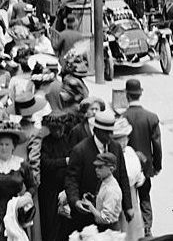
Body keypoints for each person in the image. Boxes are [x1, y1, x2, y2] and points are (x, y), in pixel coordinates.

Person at [63, 108, 133, 233]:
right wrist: (75, 201)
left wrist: (128, 206)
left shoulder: (115, 147)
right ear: (96, 131)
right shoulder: (80, 150)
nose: (110, 136)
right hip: (86, 216)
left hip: (110, 214)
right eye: (106, 133)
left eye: (111, 132)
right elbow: (71, 180)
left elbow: (122, 175)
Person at [122, 78, 161, 238]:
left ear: (127, 96)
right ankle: (147, 228)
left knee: (130, 199)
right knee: (145, 197)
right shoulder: (151, 117)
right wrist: (157, 165)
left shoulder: (123, 117)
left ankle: (133, 229)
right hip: (145, 166)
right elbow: (157, 144)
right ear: (140, 95)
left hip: (128, 167)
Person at [37, 112, 69, 241]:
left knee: (65, 223)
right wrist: (64, 161)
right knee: (51, 223)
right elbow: (45, 163)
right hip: (49, 190)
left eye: (60, 128)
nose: (57, 132)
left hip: (65, 188)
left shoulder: (68, 140)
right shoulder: (46, 142)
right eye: (54, 129)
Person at [112, 117, 144, 241]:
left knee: (133, 226)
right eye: (122, 139)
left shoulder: (130, 151)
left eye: (126, 138)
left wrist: (140, 177)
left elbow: (138, 171)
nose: (125, 142)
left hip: (132, 194)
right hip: (122, 195)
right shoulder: (115, 155)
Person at [83, 151, 122, 232]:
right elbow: (104, 198)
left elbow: (106, 219)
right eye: (96, 167)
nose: (96, 170)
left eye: (100, 167)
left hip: (109, 230)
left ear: (111, 169)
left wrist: (91, 207)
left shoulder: (111, 189)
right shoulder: (104, 181)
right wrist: (94, 198)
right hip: (104, 228)